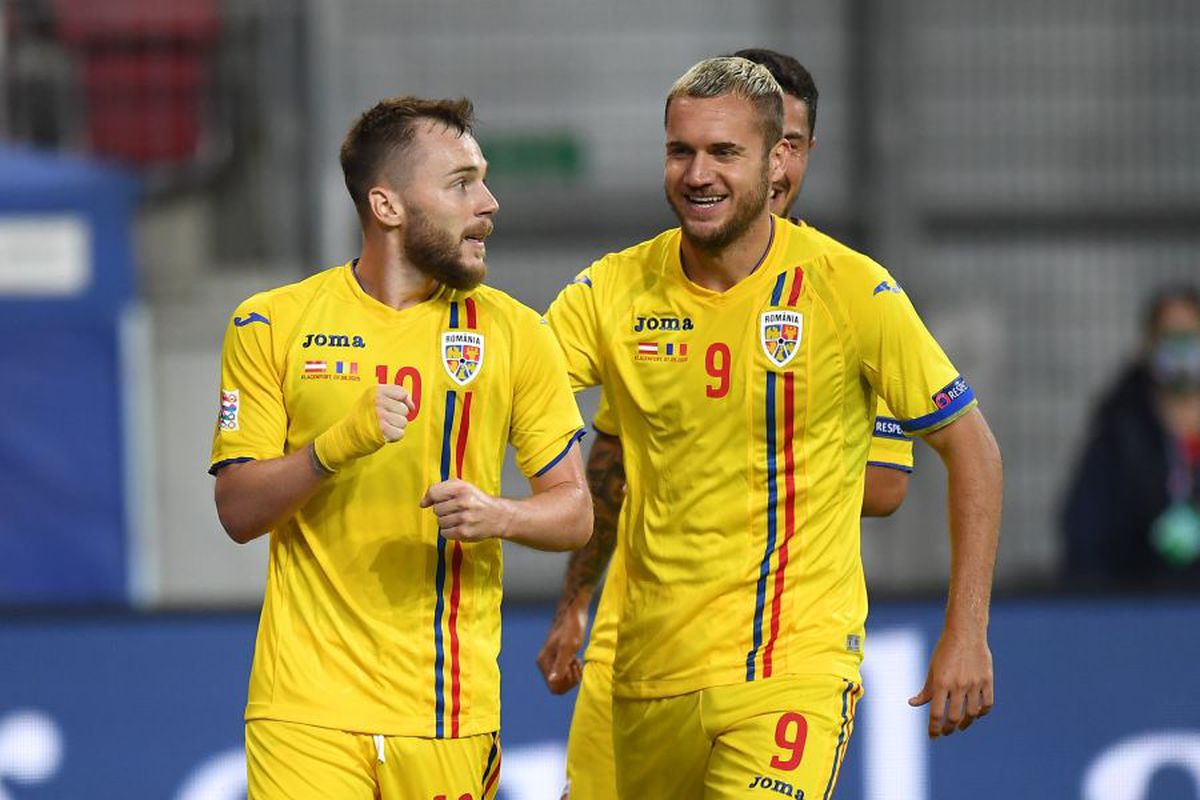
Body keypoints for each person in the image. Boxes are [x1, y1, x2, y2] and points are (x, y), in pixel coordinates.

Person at [544, 57, 1002, 799]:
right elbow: (529, 402)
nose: (699, 172)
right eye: (681, 150)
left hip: (792, 666)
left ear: (778, 156)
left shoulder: (850, 289)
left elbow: (952, 453)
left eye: (725, 152)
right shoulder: (616, 289)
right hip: (644, 664)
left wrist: (967, 629)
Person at [207, 96, 592, 799]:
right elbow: (236, 510)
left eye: (483, 179)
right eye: (461, 183)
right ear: (385, 206)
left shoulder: (516, 333)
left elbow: (574, 512)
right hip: (305, 709)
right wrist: (334, 446)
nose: (489, 202)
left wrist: (499, 515)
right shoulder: (271, 323)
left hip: (446, 711)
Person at [1062, 285, 1200, 587]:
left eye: (1190, 338)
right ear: (1147, 346)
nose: (1182, 351)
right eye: (1171, 338)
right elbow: (1086, 535)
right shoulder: (1120, 433)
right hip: (1139, 605)